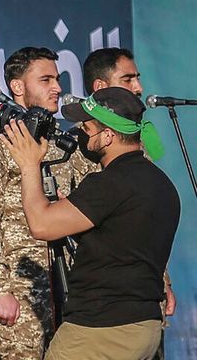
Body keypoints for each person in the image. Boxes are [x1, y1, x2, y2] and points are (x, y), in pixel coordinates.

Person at [0, 87, 179, 360]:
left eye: (87, 126)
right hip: (144, 326)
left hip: (99, 330)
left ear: (107, 135)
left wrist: (28, 164)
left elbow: (41, 225)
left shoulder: (110, 183)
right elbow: (121, 241)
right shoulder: (161, 184)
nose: (80, 132)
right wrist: (71, 208)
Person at [0, 47, 95, 359]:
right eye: (45, 80)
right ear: (18, 87)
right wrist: (0, 289)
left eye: (57, 79)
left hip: (69, 286)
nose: (57, 88)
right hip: (21, 290)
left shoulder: (62, 147)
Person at [82, 47, 176, 359]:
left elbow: (143, 223)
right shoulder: (82, 145)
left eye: (138, 78)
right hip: (99, 305)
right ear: (101, 88)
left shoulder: (136, 144)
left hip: (142, 297)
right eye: (128, 79)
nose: (138, 87)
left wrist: (164, 281)